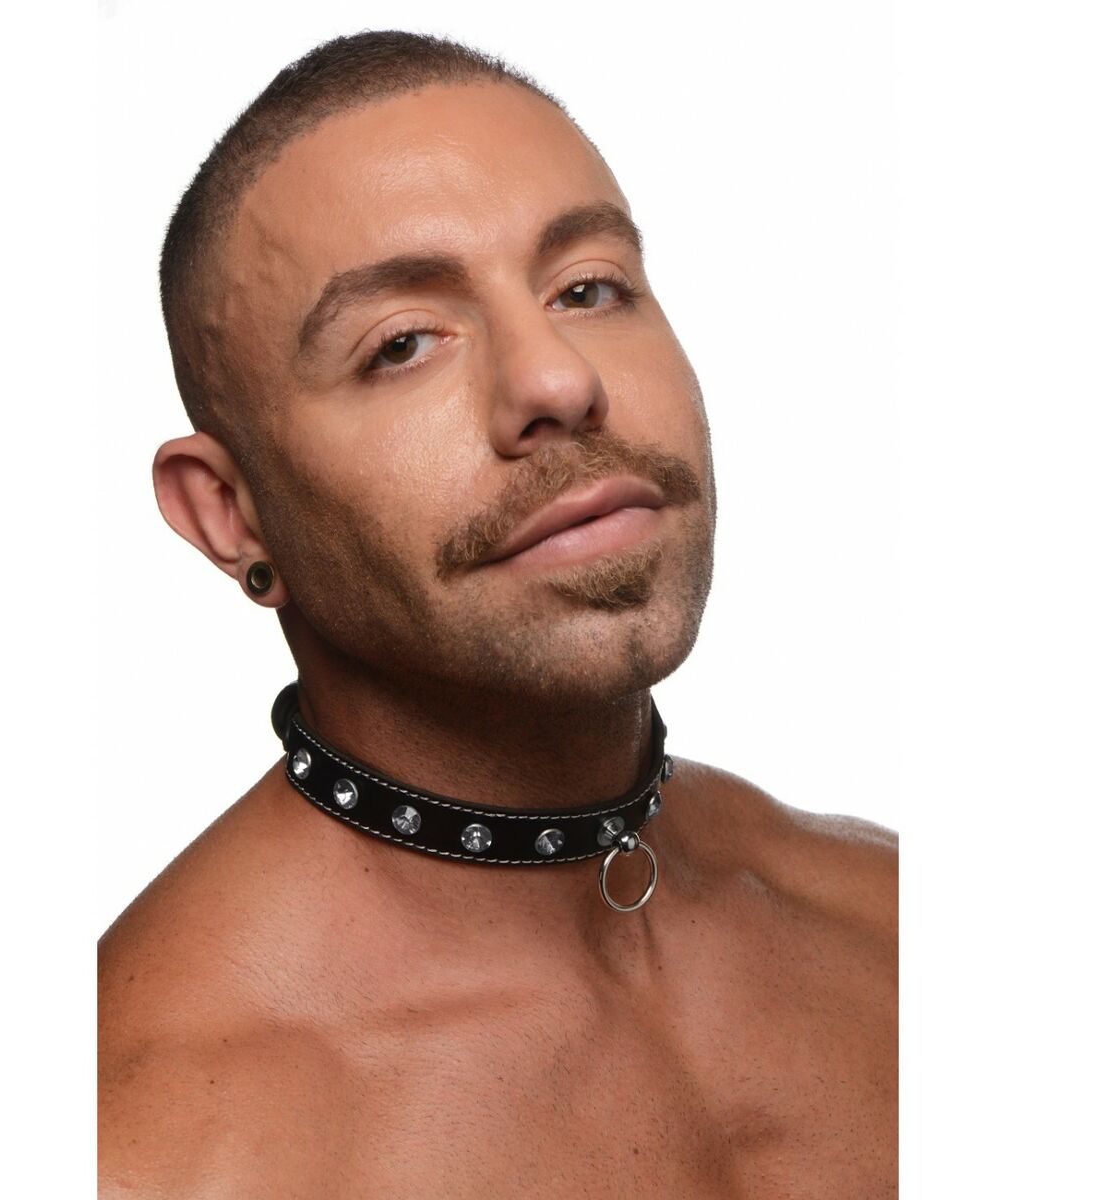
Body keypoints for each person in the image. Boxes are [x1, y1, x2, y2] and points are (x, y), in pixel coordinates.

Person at [99, 29, 897, 1198]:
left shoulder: (905, 921)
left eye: (588, 288)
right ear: (230, 514)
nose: (558, 380)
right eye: (401, 346)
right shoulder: (135, 1148)